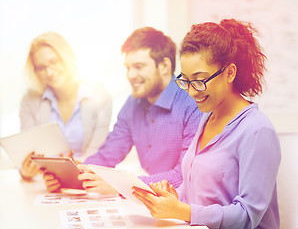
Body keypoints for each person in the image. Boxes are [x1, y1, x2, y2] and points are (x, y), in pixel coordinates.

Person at [132, 19, 281, 229]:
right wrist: (176, 197)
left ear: (230, 73)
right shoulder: (207, 117)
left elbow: (248, 216)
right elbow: (198, 189)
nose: (192, 92)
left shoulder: (257, 130)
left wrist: (182, 211)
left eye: (200, 80)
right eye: (185, 80)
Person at [44, 27, 202, 193]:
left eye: (138, 66)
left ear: (164, 66)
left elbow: (185, 175)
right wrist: (73, 174)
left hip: (187, 203)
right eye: (127, 68)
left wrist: (121, 185)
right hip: (156, 202)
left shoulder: (193, 104)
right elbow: (109, 153)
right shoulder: (133, 104)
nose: (130, 75)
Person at [19, 32, 112, 180]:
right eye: (41, 67)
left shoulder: (100, 95)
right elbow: (26, 151)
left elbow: (98, 150)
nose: (49, 72)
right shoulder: (30, 99)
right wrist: (25, 172)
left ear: (66, 58)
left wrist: (75, 168)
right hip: (45, 183)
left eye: (54, 62)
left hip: (87, 179)